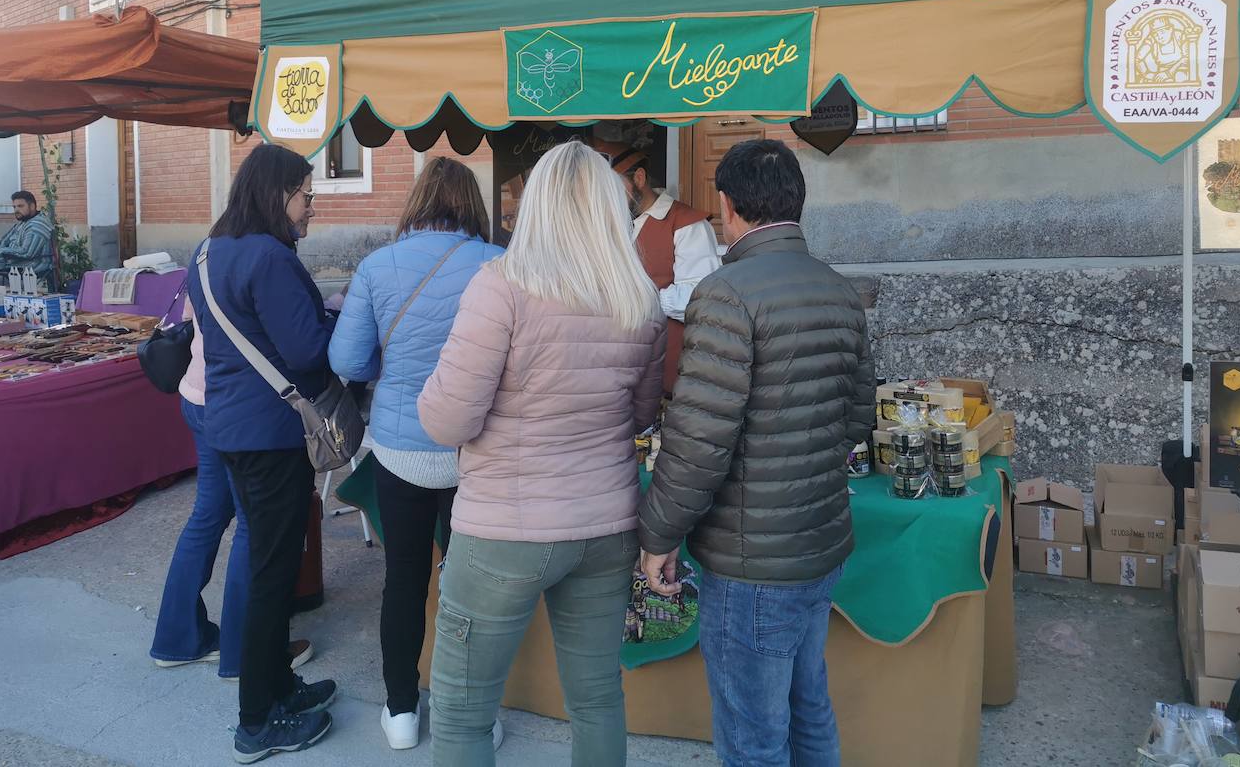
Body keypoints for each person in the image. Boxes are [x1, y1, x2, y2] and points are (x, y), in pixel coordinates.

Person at [418, 140, 667, 767]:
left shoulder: (501, 286)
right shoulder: (638, 297)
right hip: (607, 522)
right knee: (598, 701)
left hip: (505, 528)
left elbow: (448, 419)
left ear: (537, 205)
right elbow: (640, 415)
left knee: (463, 716)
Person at [636, 139, 875, 767]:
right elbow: (857, 415)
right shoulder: (839, 291)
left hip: (752, 561)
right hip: (818, 540)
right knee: (808, 705)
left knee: (753, 736)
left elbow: (698, 442)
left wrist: (658, 534)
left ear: (727, 206)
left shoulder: (725, 293)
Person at [328, 157, 503, 752]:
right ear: (470, 204)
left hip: (401, 450)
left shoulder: (377, 266)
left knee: (403, 580)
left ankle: (401, 709)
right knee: (473, 585)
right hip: (477, 449)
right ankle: (475, 712)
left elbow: (348, 362)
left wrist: (394, 370)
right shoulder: (498, 264)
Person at [186, 143, 337, 763]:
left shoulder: (209, 249)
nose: (310, 208)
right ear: (278, 194)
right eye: (306, 195)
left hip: (231, 427)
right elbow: (305, 352)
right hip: (272, 435)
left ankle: (279, 687)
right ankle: (257, 722)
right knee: (274, 573)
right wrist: (341, 321)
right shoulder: (270, 257)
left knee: (269, 563)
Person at [149, 294, 314, 682]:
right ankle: (245, 652)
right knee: (251, 523)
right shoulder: (260, 257)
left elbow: (195, 317)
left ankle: (177, 639)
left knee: (209, 513)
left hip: (199, 394)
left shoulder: (205, 254)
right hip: (237, 403)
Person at [592, 136, 721, 394]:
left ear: (639, 178)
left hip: (671, 374)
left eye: (613, 190)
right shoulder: (608, 227)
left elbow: (701, 302)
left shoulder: (687, 224)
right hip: (615, 374)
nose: (606, 201)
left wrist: (633, 296)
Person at [0, 190, 55, 283]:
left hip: (32, 264)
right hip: (15, 262)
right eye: (14, 207)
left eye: (20, 206)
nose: (16, 210)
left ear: (32, 206)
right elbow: (4, 240)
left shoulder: (38, 224)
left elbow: (27, 252)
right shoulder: (23, 223)